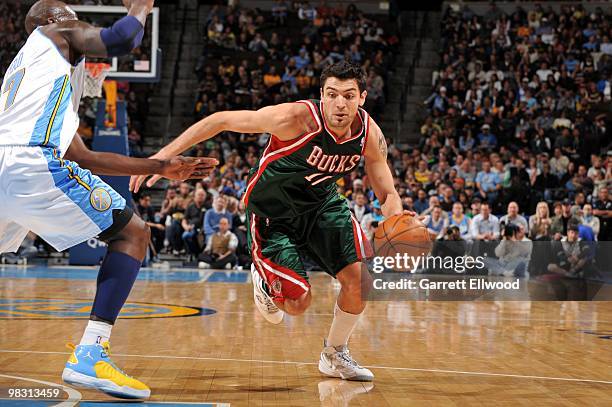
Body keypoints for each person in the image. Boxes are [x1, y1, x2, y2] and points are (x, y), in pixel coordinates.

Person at [132, 61, 416, 382]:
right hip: (272, 213)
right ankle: (265, 282)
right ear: (321, 95)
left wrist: (398, 222)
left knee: (360, 282)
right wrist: (159, 160)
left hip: (321, 206)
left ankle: (334, 354)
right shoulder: (293, 119)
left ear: (362, 97)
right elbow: (220, 120)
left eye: (349, 96)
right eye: (332, 94)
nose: (340, 103)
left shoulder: (369, 134)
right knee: (296, 304)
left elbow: (387, 193)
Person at [0, 0, 217, 399]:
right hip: (31, 161)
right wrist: (141, 8)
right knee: (133, 234)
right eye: (68, 13)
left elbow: (83, 157)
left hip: (7, 162)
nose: (78, 22)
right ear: (50, 21)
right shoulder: (55, 34)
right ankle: (91, 352)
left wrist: (159, 165)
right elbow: (119, 39)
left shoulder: (28, 71)